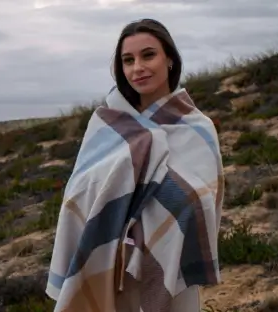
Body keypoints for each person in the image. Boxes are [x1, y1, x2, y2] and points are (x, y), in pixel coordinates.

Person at [46, 18, 224, 312]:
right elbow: (78, 192)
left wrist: (144, 223)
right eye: (128, 60)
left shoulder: (197, 128)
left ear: (169, 59)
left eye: (148, 55)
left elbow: (201, 200)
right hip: (107, 263)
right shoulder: (107, 125)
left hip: (168, 260)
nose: (137, 68)